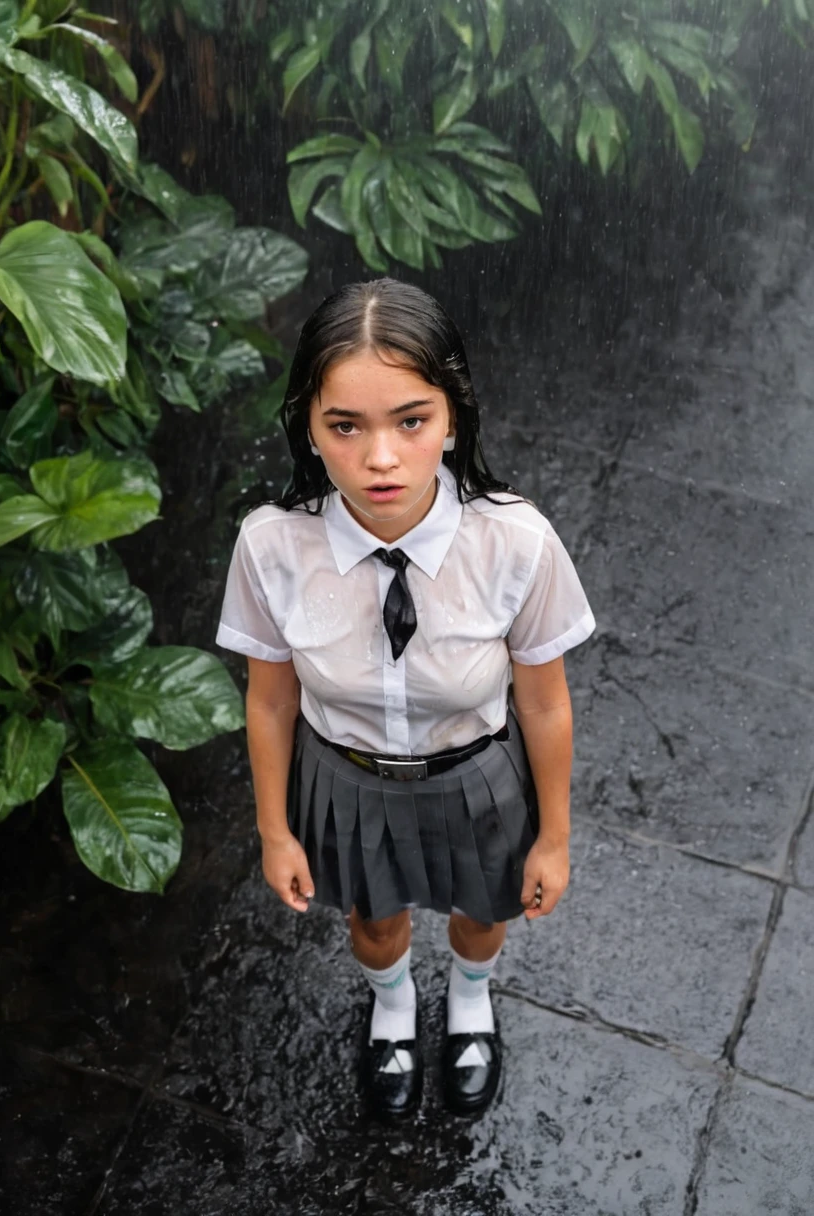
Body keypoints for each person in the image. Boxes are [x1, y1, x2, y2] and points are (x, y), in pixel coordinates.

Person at [215, 277, 595, 1122]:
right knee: (374, 921)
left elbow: (544, 704)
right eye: (344, 426)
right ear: (309, 430)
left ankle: (469, 998)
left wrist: (555, 840)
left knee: (482, 912)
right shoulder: (273, 548)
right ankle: (391, 1009)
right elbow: (271, 702)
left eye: (410, 420)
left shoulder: (515, 544)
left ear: (452, 419)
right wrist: (275, 830)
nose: (379, 458)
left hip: (475, 778)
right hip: (347, 778)